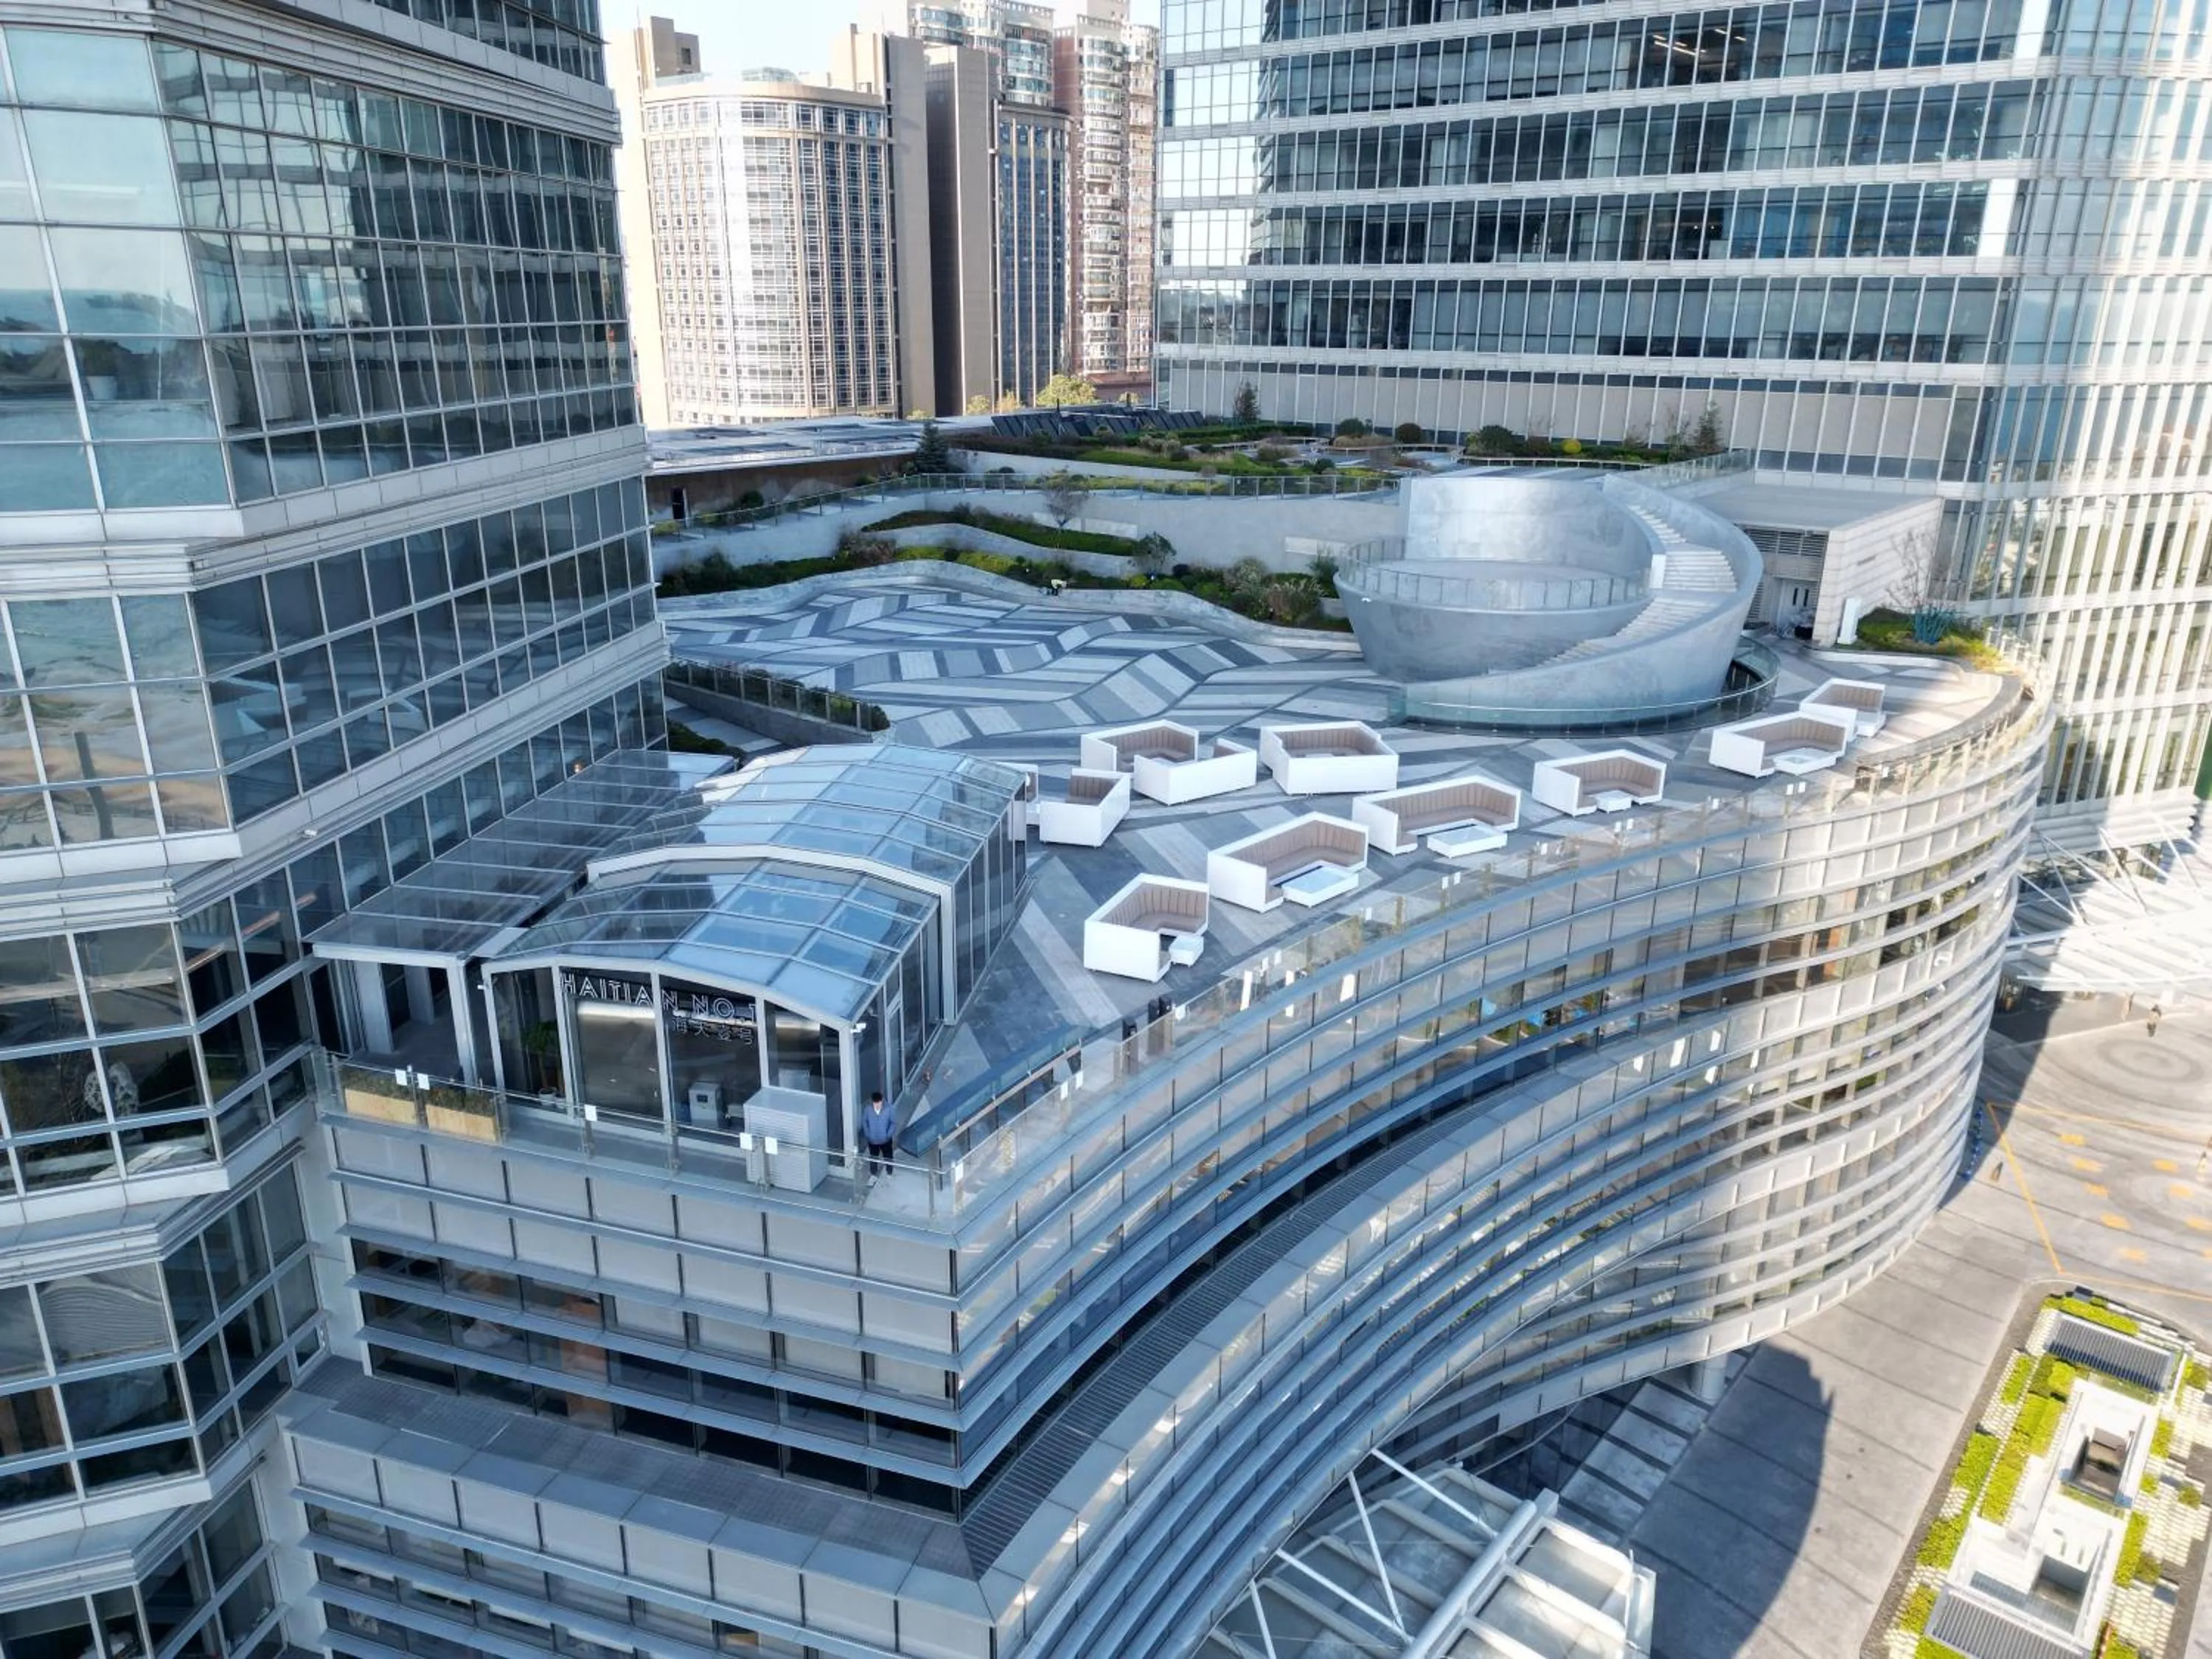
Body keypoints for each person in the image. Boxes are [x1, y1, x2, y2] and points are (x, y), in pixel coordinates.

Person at [862, 1091, 896, 1183]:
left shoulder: (889, 1109)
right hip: (872, 1141)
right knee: (873, 1158)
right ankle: (873, 1175)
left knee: (888, 1157)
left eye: (879, 1103)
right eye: (875, 1104)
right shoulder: (868, 1109)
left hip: (886, 1140)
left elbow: (893, 1123)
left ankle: (889, 1173)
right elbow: (865, 1122)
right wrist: (868, 1134)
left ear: (882, 1101)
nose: (877, 1106)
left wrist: (888, 1135)